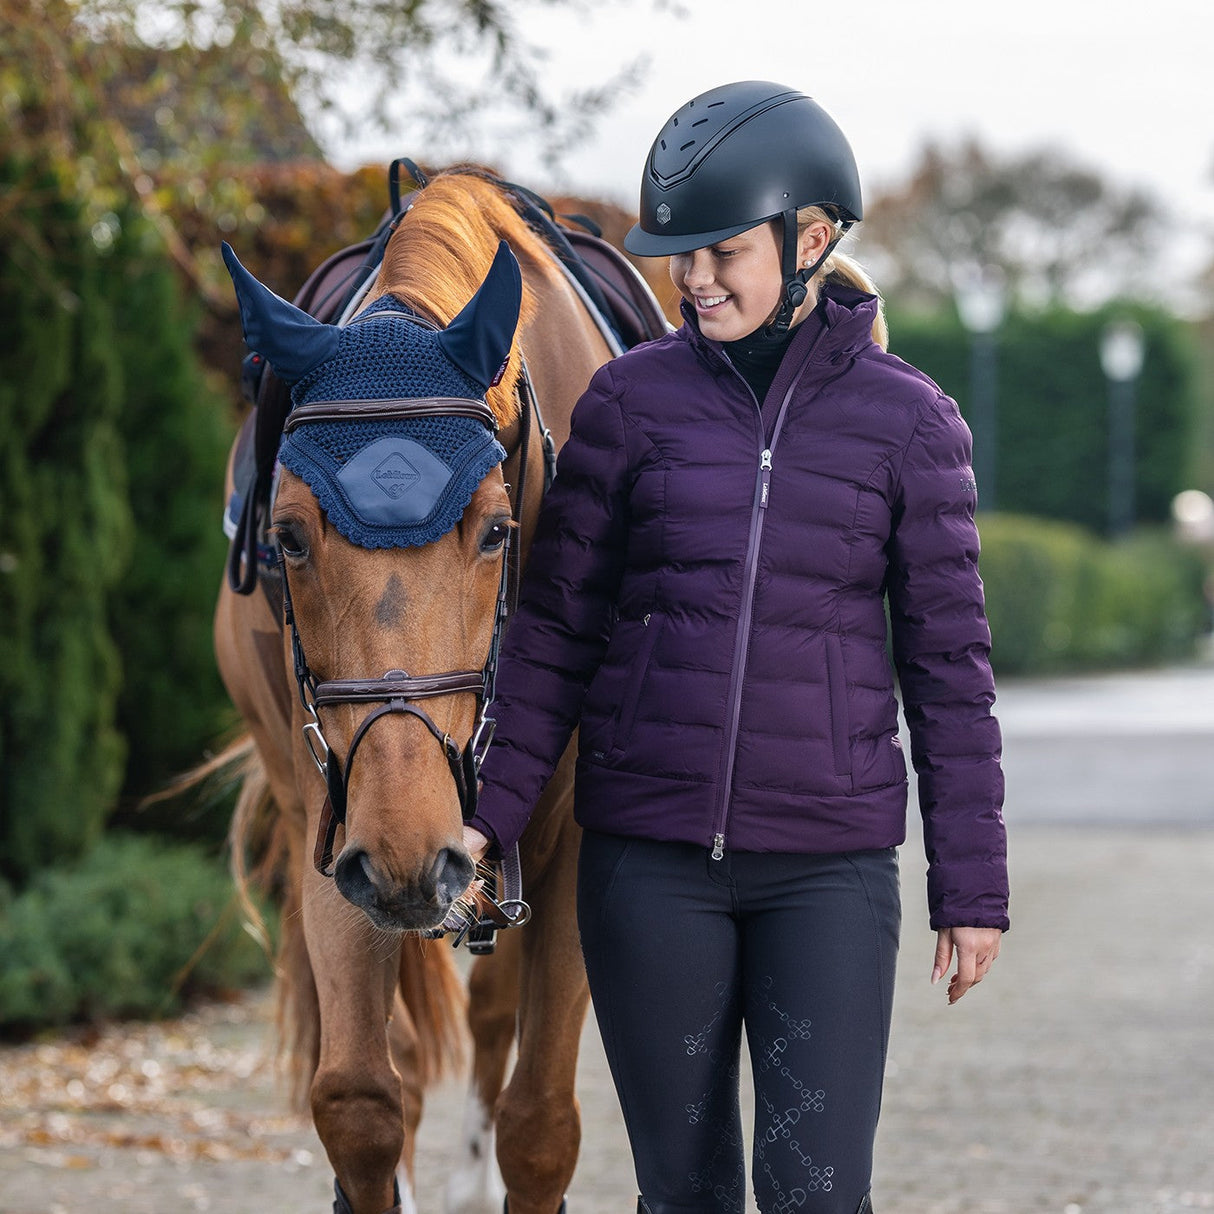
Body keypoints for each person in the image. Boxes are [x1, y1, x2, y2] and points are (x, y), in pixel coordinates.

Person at [463, 79, 1009, 1214]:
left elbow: (949, 673)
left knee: (815, 1190)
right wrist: (486, 819)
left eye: (720, 251)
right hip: (647, 866)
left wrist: (971, 883)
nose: (694, 279)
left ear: (810, 239)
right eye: (678, 255)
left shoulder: (910, 423)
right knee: (684, 1190)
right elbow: (555, 633)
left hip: (826, 872)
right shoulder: (624, 406)